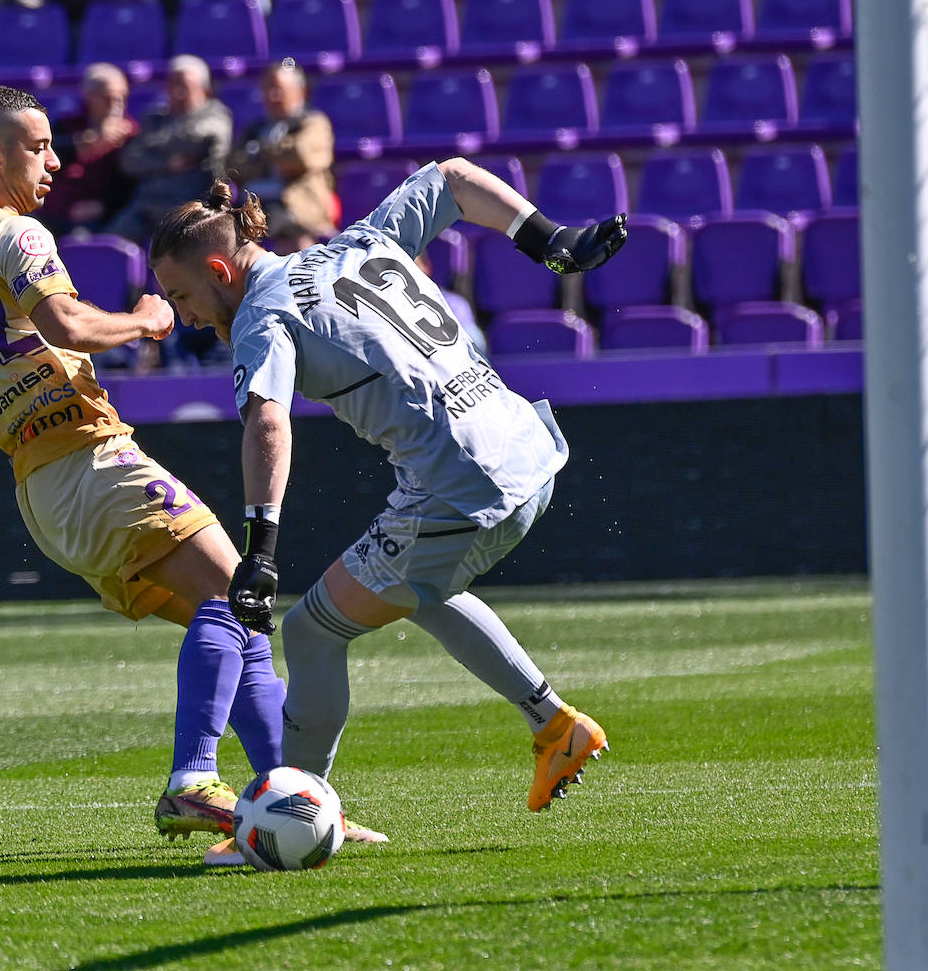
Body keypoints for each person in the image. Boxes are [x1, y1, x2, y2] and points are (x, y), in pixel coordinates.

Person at [0, 85, 384, 864]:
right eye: (39, 146)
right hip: (87, 453)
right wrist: (148, 320)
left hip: (40, 487)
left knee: (241, 620)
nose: (54, 160)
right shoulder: (14, 231)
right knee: (234, 591)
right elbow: (68, 325)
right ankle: (193, 779)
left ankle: (292, 797)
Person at [148, 161, 627, 857]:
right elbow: (456, 177)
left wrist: (260, 548)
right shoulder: (356, 245)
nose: (183, 316)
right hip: (526, 446)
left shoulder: (262, 313)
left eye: (181, 295)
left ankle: (298, 810)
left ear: (219, 270)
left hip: (460, 483)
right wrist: (549, 238)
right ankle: (555, 726)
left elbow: (268, 424)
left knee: (312, 631)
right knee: (422, 589)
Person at [104, 54, 231, 245]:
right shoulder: (155, 118)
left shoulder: (215, 114)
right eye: (173, 85)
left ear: (204, 90)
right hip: (145, 205)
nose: (178, 93)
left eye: (185, 87)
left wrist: (154, 147)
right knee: (109, 245)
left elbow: (199, 138)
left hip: (187, 204)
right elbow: (129, 161)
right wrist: (166, 163)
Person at [227, 58, 336, 253]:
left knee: (292, 233)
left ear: (300, 92)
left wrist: (262, 152)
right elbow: (235, 166)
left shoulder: (313, 123)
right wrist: (277, 156)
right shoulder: (255, 128)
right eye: (268, 91)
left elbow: (302, 157)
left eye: (279, 90)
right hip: (253, 202)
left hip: (295, 204)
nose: (273, 96)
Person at [36, 62, 136, 237]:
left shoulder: (131, 134)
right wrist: (84, 144)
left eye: (121, 97)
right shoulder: (68, 127)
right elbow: (44, 157)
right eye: (107, 97)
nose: (116, 105)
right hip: (54, 209)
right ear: (89, 96)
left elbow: (130, 187)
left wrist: (103, 207)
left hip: (98, 217)